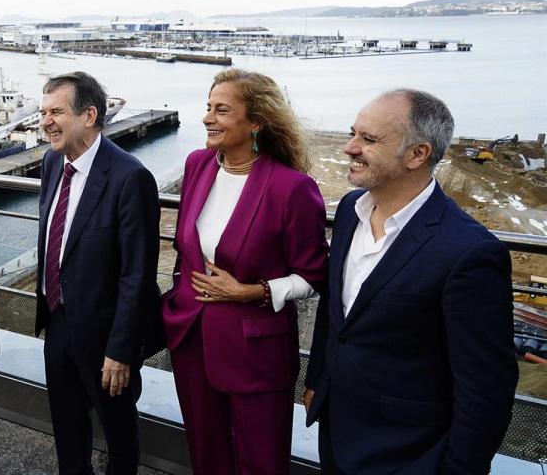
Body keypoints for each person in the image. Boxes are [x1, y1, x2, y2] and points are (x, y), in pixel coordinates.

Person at [304, 90, 517, 474]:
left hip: (408, 453)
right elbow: (335, 311)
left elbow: (485, 389)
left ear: (417, 154)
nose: (350, 147)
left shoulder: (469, 252)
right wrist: (318, 379)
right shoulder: (351, 211)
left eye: (368, 139)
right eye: (353, 133)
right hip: (337, 433)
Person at [161, 69, 329, 474]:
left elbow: (315, 276)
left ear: (256, 122)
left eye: (222, 110)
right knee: (206, 454)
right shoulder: (198, 165)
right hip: (192, 341)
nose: (207, 118)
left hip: (256, 352)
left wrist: (252, 291)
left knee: (261, 461)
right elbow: (187, 249)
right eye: (208, 107)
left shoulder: (291, 188)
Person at [34, 71, 162, 475]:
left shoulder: (130, 177)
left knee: (119, 434)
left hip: (106, 338)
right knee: (67, 432)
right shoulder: (51, 162)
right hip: (58, 323)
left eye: (56, 112)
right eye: (43, 112)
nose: (45, 121)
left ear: (88, 115)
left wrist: (121, 351)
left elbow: (137, 275)